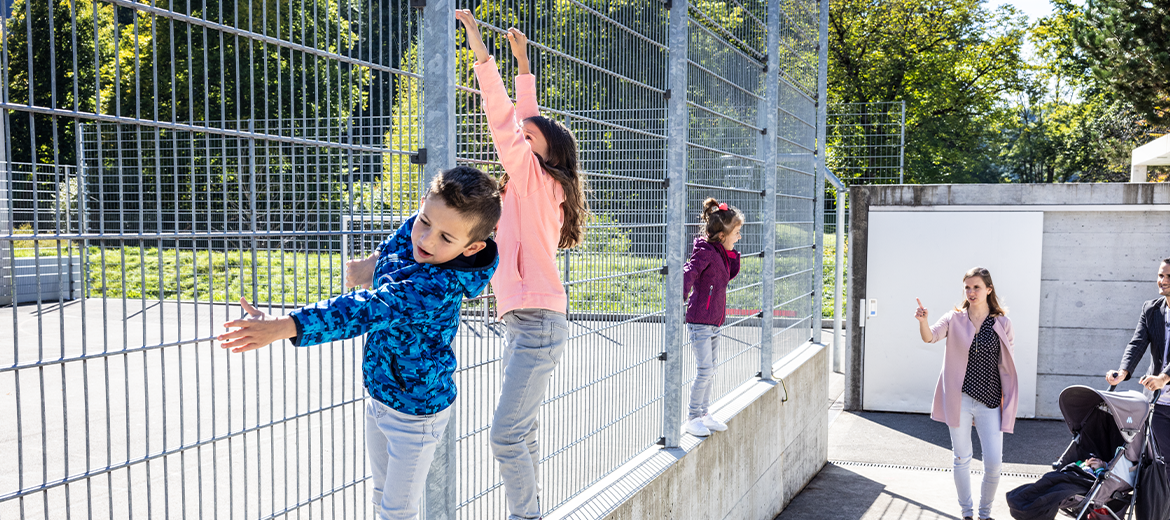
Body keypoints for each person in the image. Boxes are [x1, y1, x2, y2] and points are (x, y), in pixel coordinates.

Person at [217, 166, 501, 520]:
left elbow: (362, 310)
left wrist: (284, 326)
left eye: (445, 238)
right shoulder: (422, 227)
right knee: (382, 500)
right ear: (423, 204)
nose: (426, 240)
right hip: (381, 397)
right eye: (425, 221)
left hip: (417, 414)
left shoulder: (433, 288)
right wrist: (372, 263)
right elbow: (400, 238)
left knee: (397, 513)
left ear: (472, 247)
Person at [457, 11, 589, 520]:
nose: (517, 140)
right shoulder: (535, 184)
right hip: (525, 322)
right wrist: (523, 66)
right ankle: (529, 512)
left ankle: (526, 516)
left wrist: (481, 54)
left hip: (535, 324)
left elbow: (505, 121)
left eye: (527, 141)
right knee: (522, 433)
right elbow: (527, 123)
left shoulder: (536, 182)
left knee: (506, 435)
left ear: (543, 153)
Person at [915, 267, 1020, 520]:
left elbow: (1007, 363)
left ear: (989, 290)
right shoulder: (954, 318)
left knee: (994, 464)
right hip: (960, 398)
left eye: (976, 287)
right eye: (967, 288)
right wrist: (923, 322)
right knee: (962, 458)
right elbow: (930, 338)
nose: (971, 292)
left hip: (990, 400)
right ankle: (967, 513)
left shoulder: (1002, 323)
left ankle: (985, 513)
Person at [680, 198, 743, 437]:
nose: (738, 237)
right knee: (705, 369)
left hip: (714, 320)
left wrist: (733, 255)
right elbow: (690, 271)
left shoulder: (721, 253)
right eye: (736, 233)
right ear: (721, 236)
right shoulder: (705, 252)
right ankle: (693, 416)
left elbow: (728, 277)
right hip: (700, 320)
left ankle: (704, 413)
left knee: (712, 368)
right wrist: (680, 294)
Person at [1105, 257, 1170, 474]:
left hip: (1162, 384)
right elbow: (1137, 343)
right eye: (1161, 275)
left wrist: (1164, 377)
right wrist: (1123, 372)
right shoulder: (1151, 310)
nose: (1163, 280)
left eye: (1169, 276)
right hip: (1159, 402)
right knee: (1161, 462)